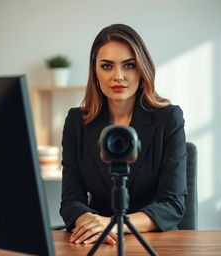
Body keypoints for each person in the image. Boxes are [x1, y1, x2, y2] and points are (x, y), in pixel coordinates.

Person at [60, 24, 187, 246]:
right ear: (95, 71)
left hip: (154, 240)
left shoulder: (169, 118)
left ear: (142, 69)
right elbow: (71, 200)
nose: (118, 76)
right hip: (99, 241)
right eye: (107, 66)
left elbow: (172, 204)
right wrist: (88, 220)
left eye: (129, 65)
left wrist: (112, 224)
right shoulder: (76, 122)